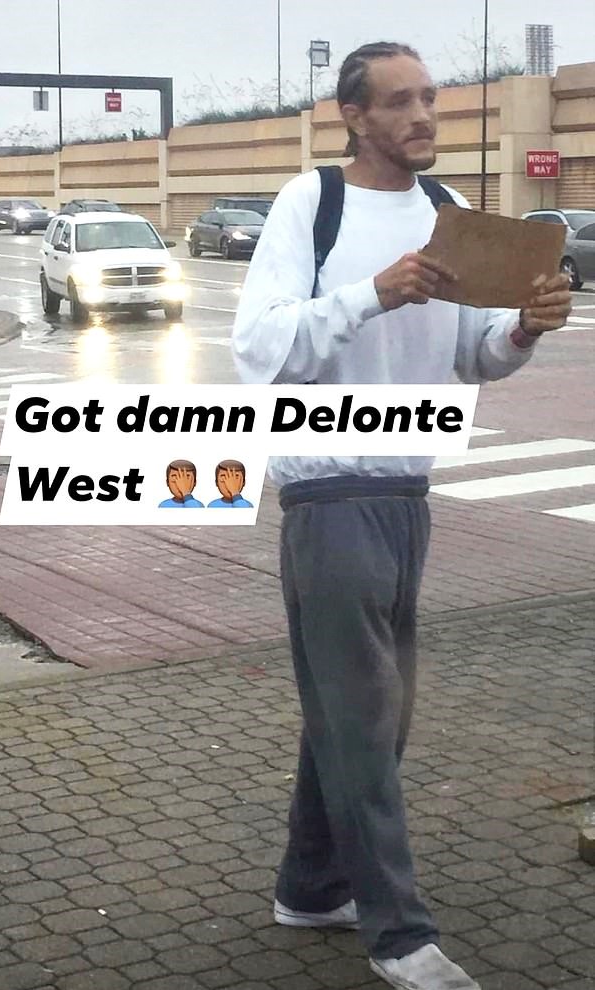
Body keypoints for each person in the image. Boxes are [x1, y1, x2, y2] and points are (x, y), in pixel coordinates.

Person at [231, 41, 571, 990]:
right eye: (399, 102)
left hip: (408, 490)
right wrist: (372, 294)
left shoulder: (450, 211)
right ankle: (397, 933)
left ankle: (311, 889)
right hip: (327, 490)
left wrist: (524, 327)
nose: (423, 116)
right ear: (354, 116)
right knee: (367, 715)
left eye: (430, 99)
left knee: (356, 714)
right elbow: (258, 349)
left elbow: (474, 355)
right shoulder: (312, 204)